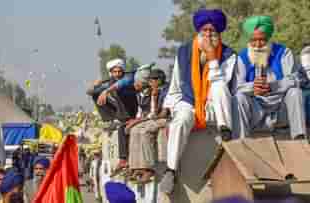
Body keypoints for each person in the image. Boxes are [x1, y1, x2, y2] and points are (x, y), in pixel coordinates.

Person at [159, 9, 237, 194]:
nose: (208, 35)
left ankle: (225, 133)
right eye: (205, 31)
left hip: (215, 106)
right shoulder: (184, 52)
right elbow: (176, 85)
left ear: (219, 33)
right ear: (198, 32)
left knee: (218, 87)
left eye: (213, 31)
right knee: (180, 121)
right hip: (189, 102)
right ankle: (171, 170)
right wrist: (167, 107)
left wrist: (212, 59)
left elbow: (221, 83)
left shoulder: (228, 54)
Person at [232, 16, 306, 139]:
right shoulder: (242, 57)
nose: (257, 45)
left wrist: (273, 86)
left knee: (295, 92)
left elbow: (296, 79)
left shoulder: (283, 53)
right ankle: (242, 144)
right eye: (253, 40)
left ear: (269, 38)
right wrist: (253, 87)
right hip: (256, 112)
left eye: (262, 40)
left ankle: (299, 138)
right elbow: (236, 87)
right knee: (238, 98)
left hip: (281, 109)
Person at [87, 59, 138, 172]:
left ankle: (123, 160)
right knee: (96, 94)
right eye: (114, 72)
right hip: (120, 111)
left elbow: (120, 84)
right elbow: (89, 92)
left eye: (119, 71)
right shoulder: (111, 81)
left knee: (122, 129)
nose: (117, 74)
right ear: (111, 72)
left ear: (123, 71)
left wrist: (106, 91)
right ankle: (110, 119)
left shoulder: (128, 78)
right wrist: (95, 86)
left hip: (132, 111)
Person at [127, 69, 169, 184]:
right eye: (149, 80)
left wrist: (155, 98)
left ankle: (149, 168)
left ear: (159, 80)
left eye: (151, 80)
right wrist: (154, 98)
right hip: (155, 118)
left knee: (145, 131)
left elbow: (162, 114)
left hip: (167, 120)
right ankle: (136, 166)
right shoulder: (153, 91)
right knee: (134, 131)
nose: (149, 83)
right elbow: (153, 112)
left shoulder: (167, 90)